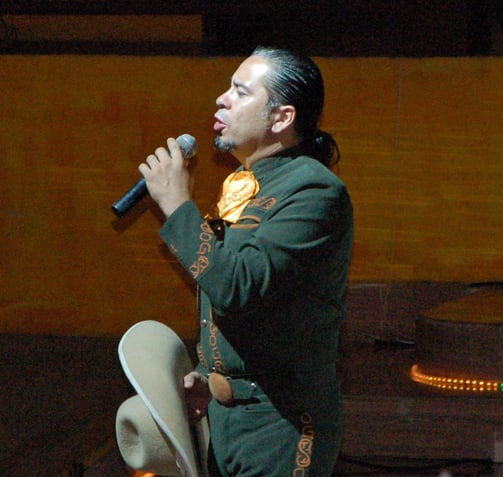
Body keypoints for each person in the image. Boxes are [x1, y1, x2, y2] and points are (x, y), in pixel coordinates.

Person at [139, 46, 354, 477]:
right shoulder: (243, 185)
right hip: (226, 421)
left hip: (282, 425)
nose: (222, 99)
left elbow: (239, 286)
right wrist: (209, 375)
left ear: (281, 118)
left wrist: (179, 206)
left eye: (240, 91)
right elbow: (237, 305)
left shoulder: (314, 192)